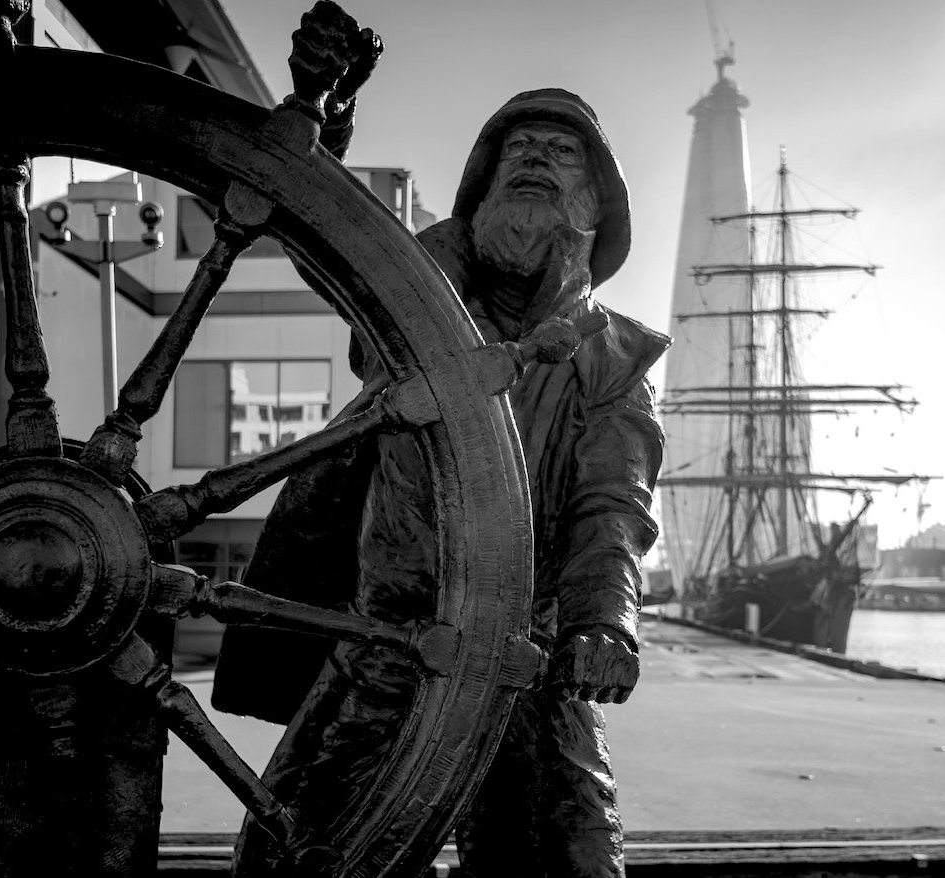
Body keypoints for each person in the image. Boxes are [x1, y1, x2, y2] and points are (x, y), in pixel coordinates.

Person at [215, 6, 668, 877]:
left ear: (594, 202)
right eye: (518, 148)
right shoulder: (409, 301)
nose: (535, 157)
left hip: (525, 660)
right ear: (481, 183)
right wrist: (328, 119)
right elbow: (321, 234)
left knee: (569, 864)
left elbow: (614, 507)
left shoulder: (614, 358)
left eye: (561, 152)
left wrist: (604, 618)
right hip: (386, 652)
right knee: (297, 861)